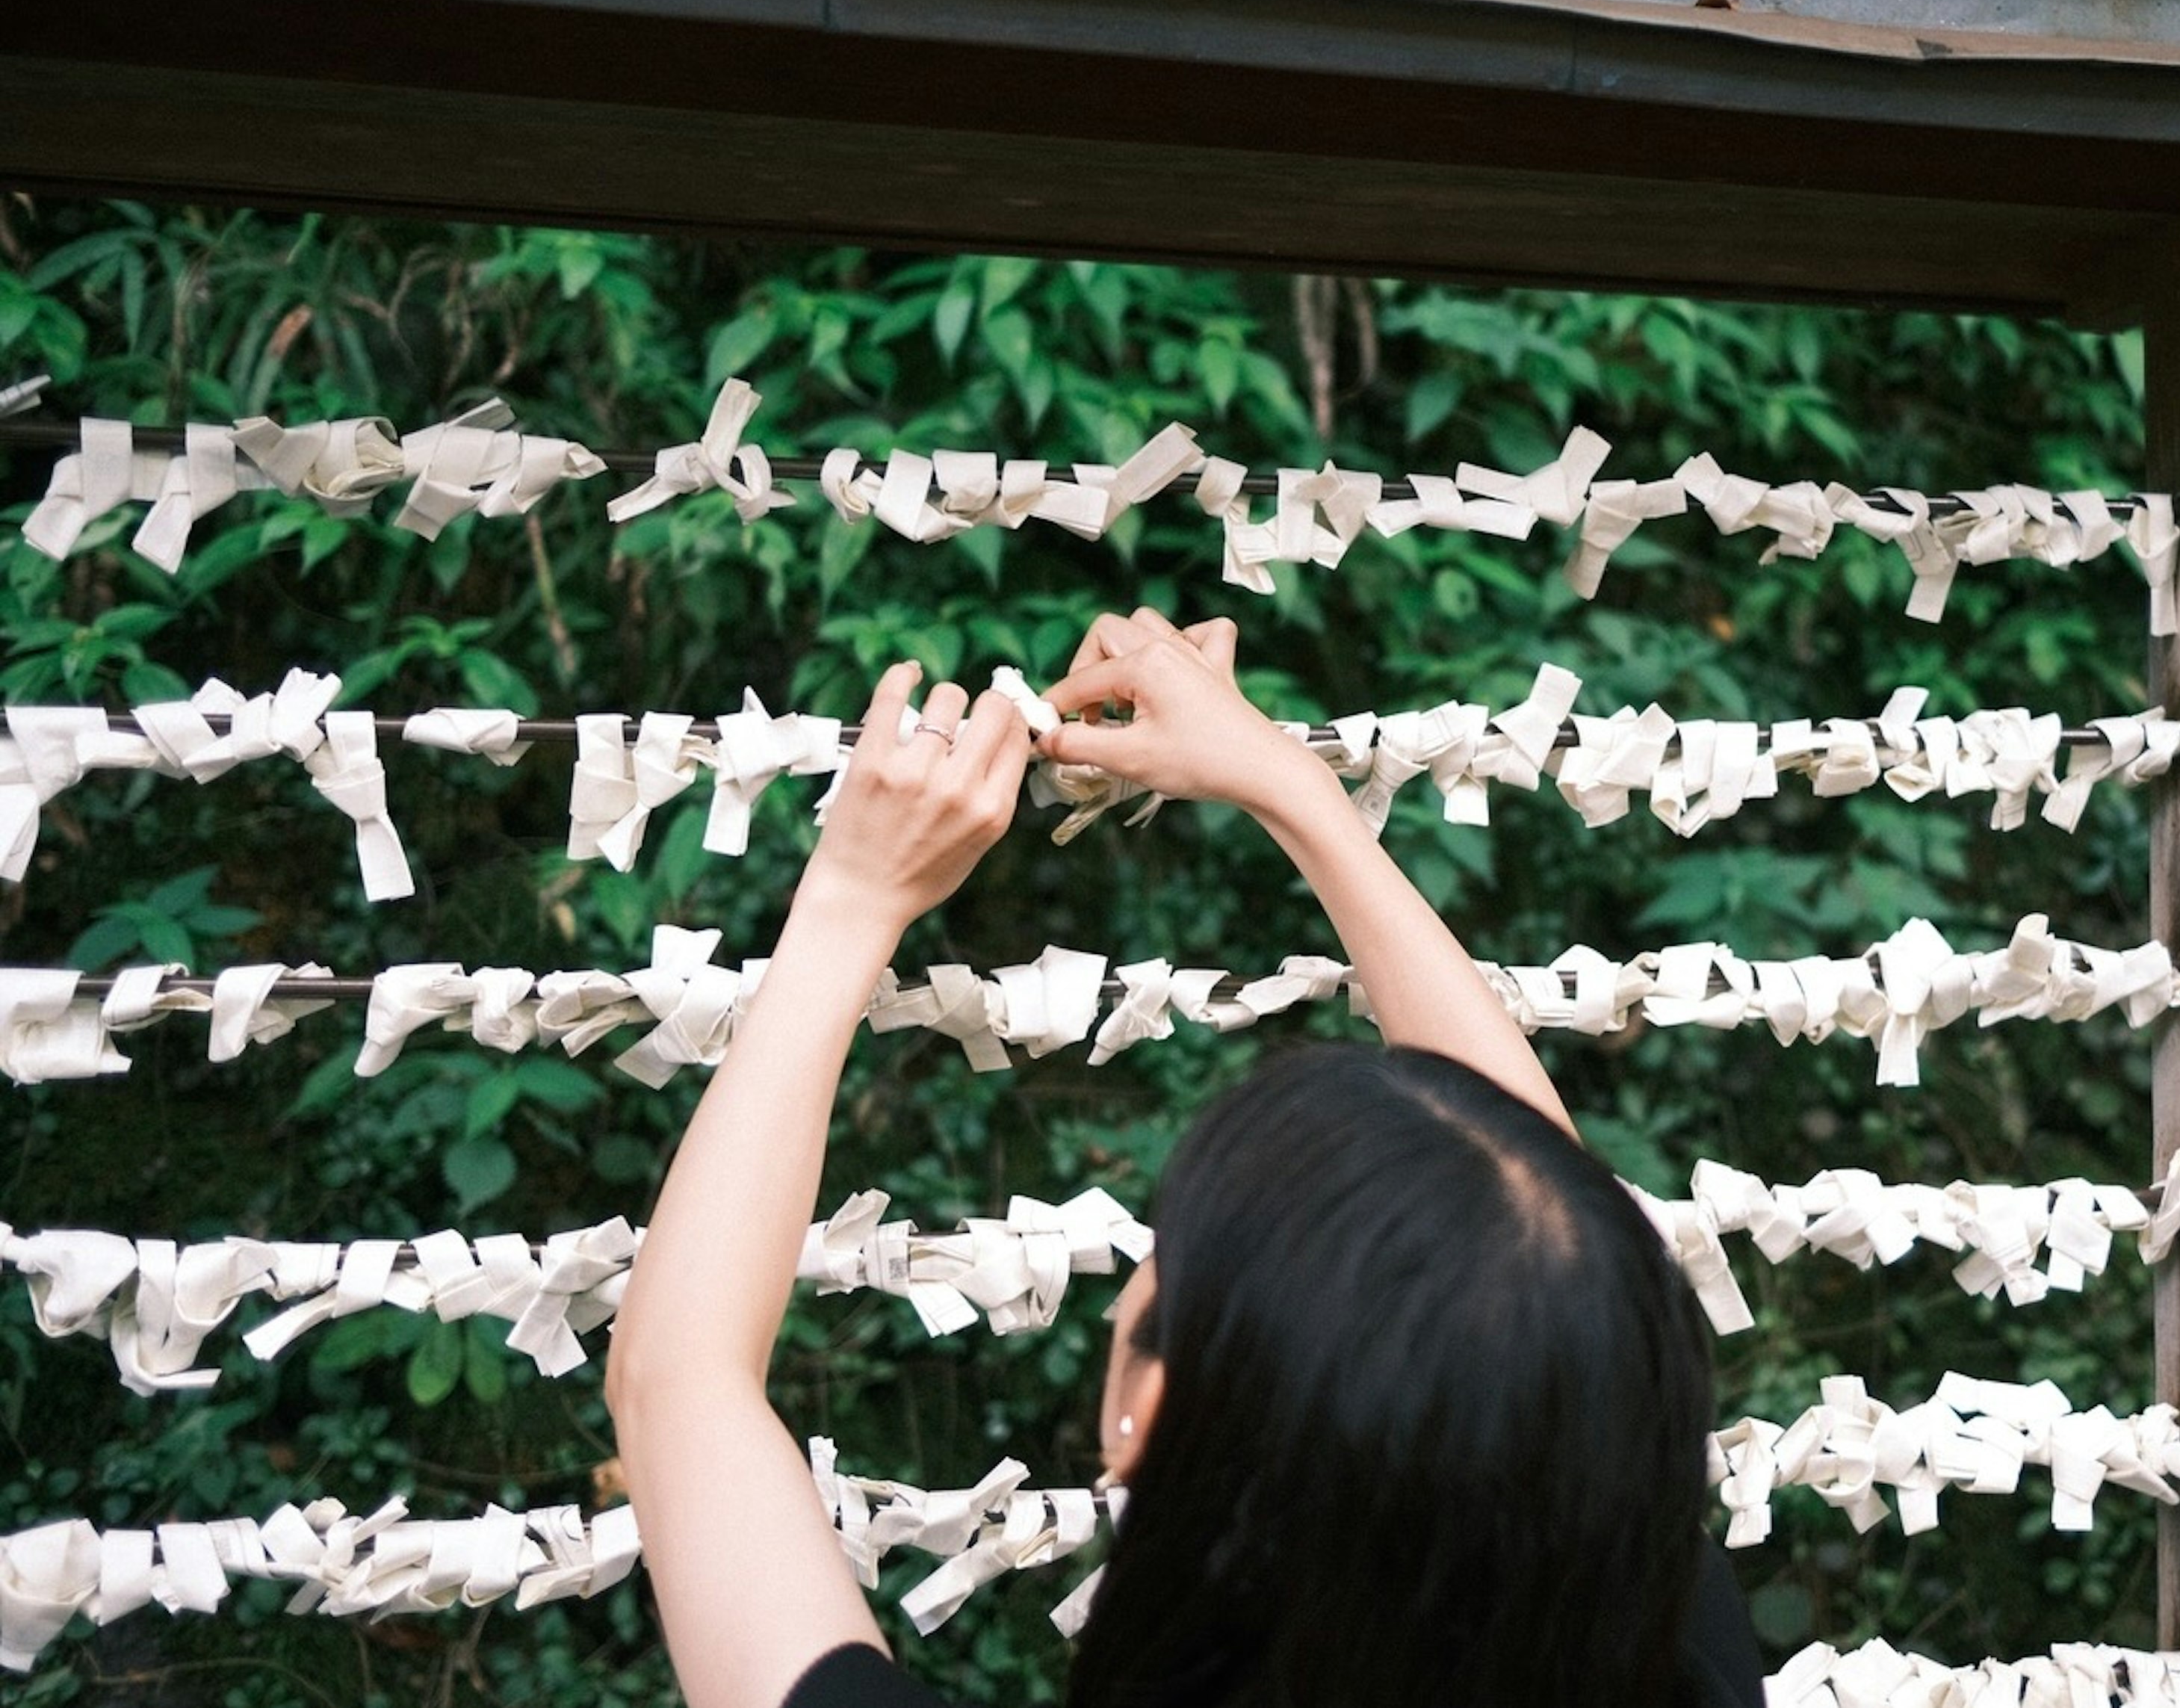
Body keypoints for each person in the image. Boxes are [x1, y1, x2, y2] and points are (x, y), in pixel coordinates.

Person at [605, 610, 1758, 1708]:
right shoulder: (1673, 1658)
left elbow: (677, 1381)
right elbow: (1527, 1227)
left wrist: (855, 895)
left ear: (1147, 1409)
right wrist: (1290, 784)